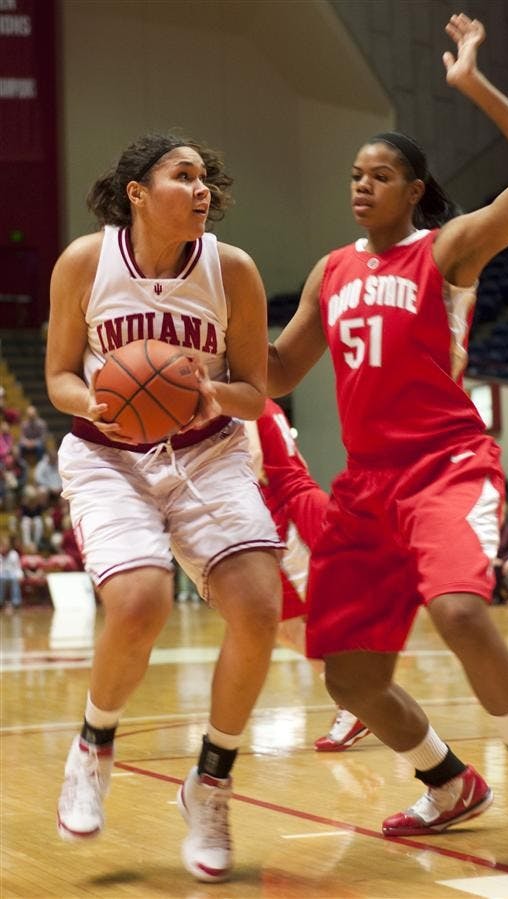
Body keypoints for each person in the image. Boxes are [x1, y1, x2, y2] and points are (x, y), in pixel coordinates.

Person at [267, 13, 508, 854]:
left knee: (461, 609)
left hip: (446, 468)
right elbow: (280, 374)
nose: (360, 185)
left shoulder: (448, 251)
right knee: (351, 676)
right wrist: (209, 360)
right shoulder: (331, 269)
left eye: (380, 174)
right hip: (365, 486)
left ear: (415, 190)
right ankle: (448, 781)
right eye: (355, 173)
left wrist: (472, 84)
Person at [45, 131, 284, 883]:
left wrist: (212, 393)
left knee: (257, 607)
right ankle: (93, 742)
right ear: (138, 193)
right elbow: (56, 375)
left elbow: (257, 387)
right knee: (140, 599)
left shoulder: (232, 270)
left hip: (207, 451)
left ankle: (209, 781)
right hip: (108, 451)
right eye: (184, 176)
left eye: (206, 177)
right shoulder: (86, 262)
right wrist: (104, 401)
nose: (203, 188)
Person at [245, 398, 370, 752]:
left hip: (284, 512)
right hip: (291, 504)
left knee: (299, 623)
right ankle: (360, 698)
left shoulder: (240, 401)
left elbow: (251, 466)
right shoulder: (260, 401)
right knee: (289, 624)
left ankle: (360, 701)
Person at [0, 533, 23, 610]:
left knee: (14, 579)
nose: (4, 547)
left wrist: (20, 575)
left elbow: (17, 567)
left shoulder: (14, 554)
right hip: (2, 574)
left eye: (6, 545)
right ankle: (0, 601)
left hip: (12, 573)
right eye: (3, 545)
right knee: (1, 579)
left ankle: (16, 602)